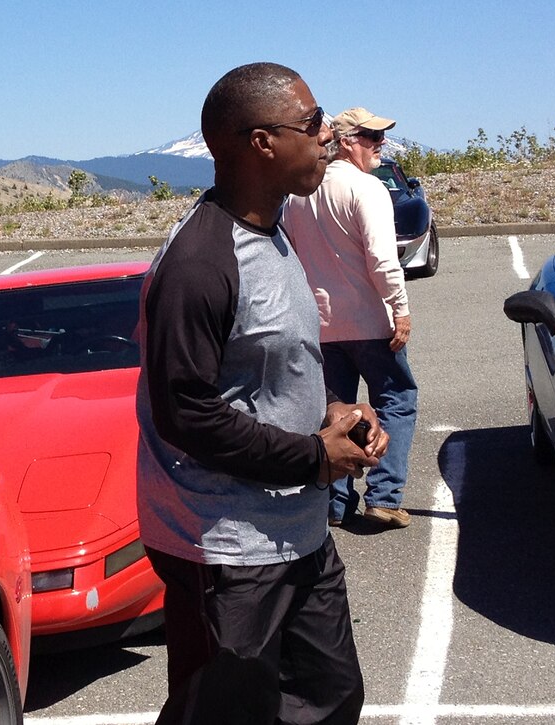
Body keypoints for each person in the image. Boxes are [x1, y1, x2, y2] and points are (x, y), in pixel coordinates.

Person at [137, 62, 388, 724]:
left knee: (332, 696)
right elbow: (184, 413)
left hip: (296, 532)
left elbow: (264, 375)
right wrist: (313, 455)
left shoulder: (275, 230)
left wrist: (336, 416)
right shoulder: (199, 263)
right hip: (225, 550)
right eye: (311, 123)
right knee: (226, 713)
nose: (328, 133)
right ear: (262, 143)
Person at [282, 108, 418, 529]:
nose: (380, 143)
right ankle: (384, 495)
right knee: (396, 399)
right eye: (370, 136)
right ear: (345, 141)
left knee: (335, 410)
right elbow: (381, 259)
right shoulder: (367, 188)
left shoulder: (298, 193)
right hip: (367, 320)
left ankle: (335, 503)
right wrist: (400, 307)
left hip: (321, 322)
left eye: (380, 136)